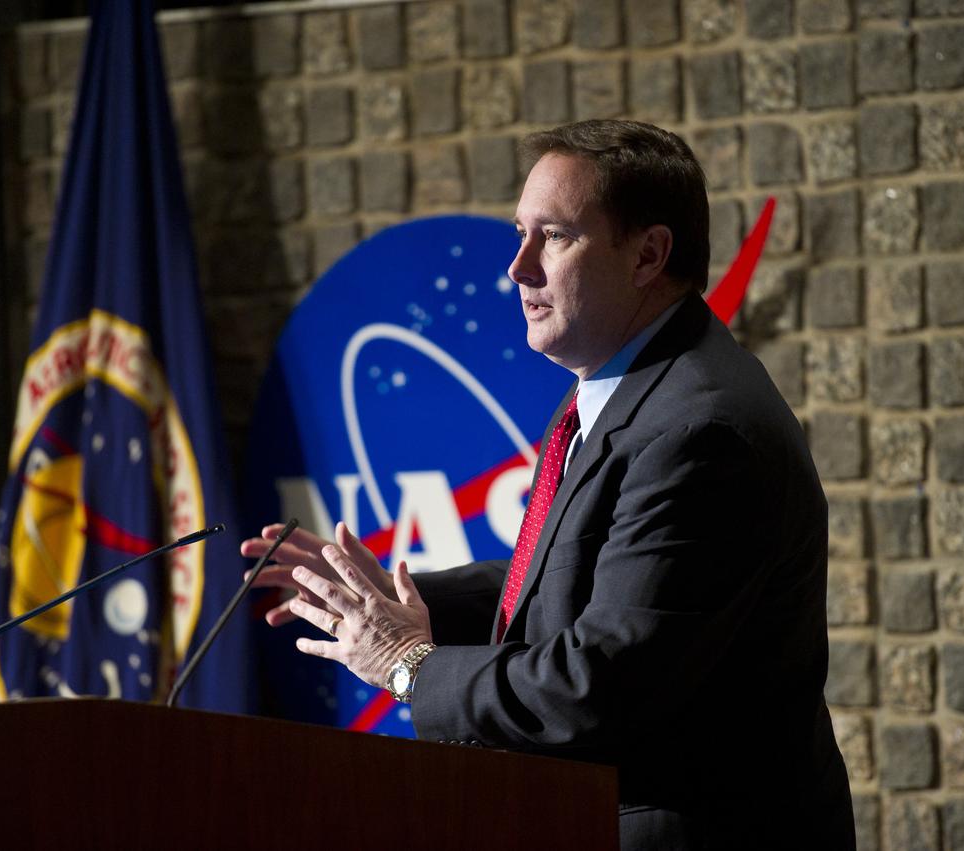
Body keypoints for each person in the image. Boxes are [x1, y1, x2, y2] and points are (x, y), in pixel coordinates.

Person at [241, 120, 855, 849]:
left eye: (554, 236)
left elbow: (599, 682)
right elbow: (580, 575)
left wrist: (410, 665)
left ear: (648, 254)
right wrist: (395, 600)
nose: (518, 267)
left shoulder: (701, 429)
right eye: (519, 233)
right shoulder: (622, 390)